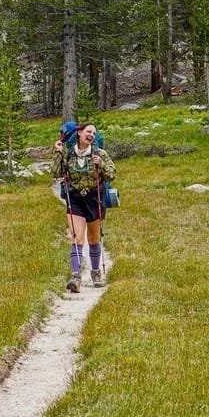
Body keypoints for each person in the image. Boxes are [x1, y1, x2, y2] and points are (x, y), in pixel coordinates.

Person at [51, 122, 116, 292]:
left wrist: (100, 163)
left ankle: (95, 272)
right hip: (75, 199)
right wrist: (58, 152)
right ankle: (76, 277)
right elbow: (55, 172)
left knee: (93, 238)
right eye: (88, 131)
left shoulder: (99, 153)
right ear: (79, 133)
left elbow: (112, 174)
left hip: (94, 198)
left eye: (94, 133)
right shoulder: (68, 154)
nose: (91, 135)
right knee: (77, 237)